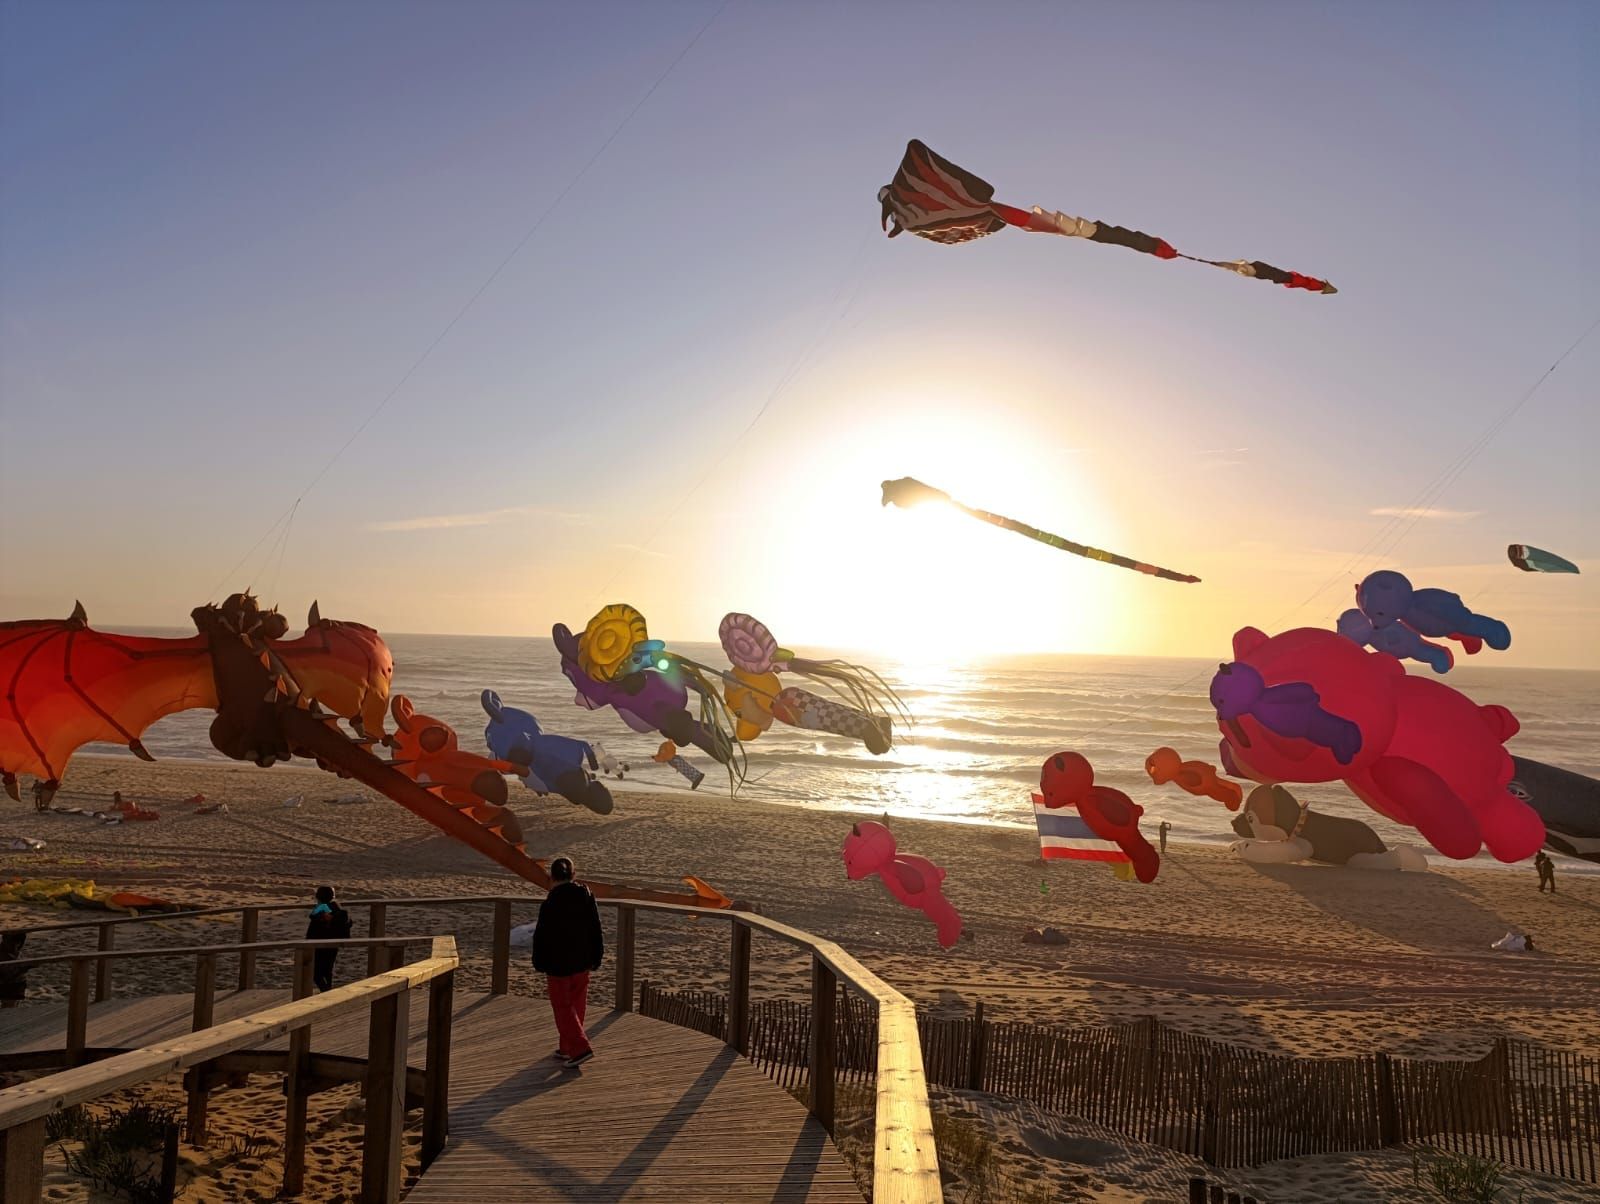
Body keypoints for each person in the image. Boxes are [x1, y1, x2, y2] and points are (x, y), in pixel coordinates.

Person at [533, 857, 604, 1067]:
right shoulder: (586, 896)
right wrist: (596, 955)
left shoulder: (551, 901)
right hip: (582, 959)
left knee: (563, 1007)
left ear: (552, 877)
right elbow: (595, 928)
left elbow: (542, 936)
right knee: (577, 1004)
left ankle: (580, 1048)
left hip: (559, 963)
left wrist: (539, 961)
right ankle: (567, 1048)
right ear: (573, 875)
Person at [305, 885, 352, 992]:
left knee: (316, 972)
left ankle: (326, 991)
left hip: (319, 943)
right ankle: (327, 989)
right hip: (333, 943)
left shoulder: (322, 910)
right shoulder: (337, 908)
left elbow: (313, 921)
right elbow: (347, 922)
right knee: (327, 969)